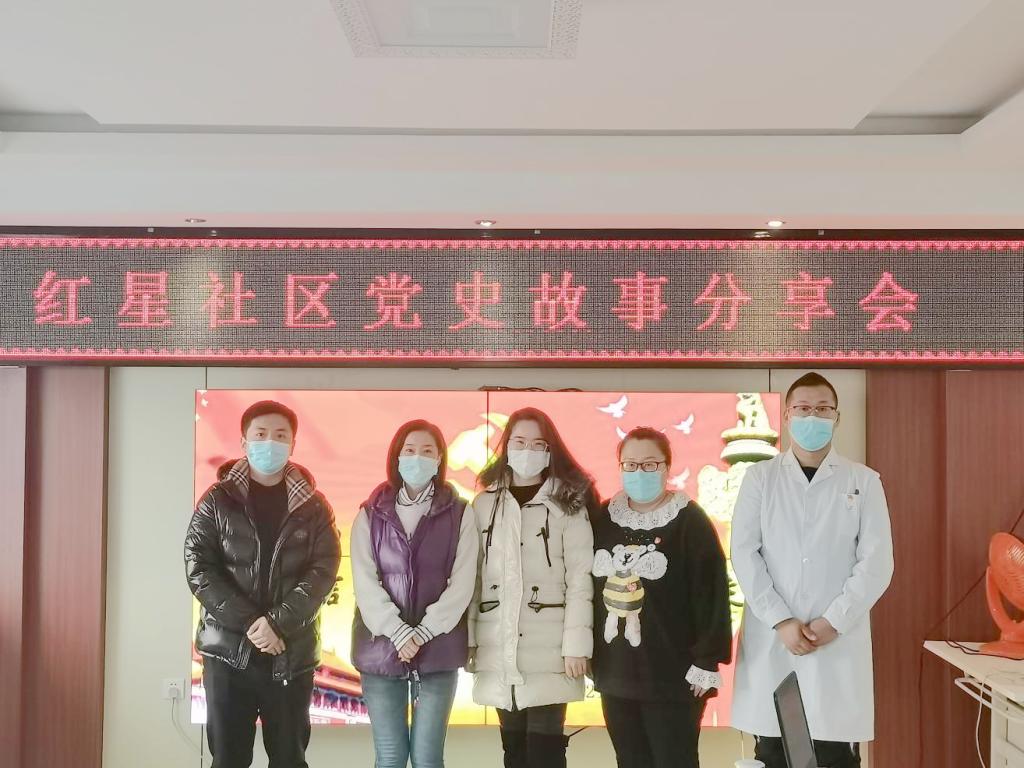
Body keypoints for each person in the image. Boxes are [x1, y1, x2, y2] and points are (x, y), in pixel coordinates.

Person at [730, 372, 895, 768]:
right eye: (803, 409)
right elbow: (744, 554)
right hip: (774, 638)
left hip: (835, 642)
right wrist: (781, 619)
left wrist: (833, 621)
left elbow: (876, 563)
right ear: (787, 416)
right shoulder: (760, 478)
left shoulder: (864, 481)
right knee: (772, 750)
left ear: (837, 417)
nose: (812, 417)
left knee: (833, 753)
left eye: (823, 409)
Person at [185, 400, 342, 768]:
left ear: (292, 444)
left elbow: (323, 570)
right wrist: (252, 623)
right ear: (244, 442)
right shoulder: (216, 500)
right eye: (261, 434)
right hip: (227, 653)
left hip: (290, 652)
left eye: (280, 435)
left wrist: (276, 624)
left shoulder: (315, 506)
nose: (270, 442)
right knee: (228, 758)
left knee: (289, 758)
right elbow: (199, 567)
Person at [590, 426, 732, 768]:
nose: (639, 472)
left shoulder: (690, 520)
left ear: (667, 467)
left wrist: (706, 660)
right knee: (630, 760)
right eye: (631, 464)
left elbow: (711, 594)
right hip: (617, 673)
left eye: (650, 464)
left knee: (674, 760)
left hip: (674, 676)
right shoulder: (603, 517)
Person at [469, 408, 597, 768]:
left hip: (552, 649)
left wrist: (577, 646)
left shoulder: (568, 503)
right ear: (506, 446)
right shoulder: (484, 503)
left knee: (545, 752)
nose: (529, 451)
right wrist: (470, 639)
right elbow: (474, 579)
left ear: (550, 450)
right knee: (513, 751)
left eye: (538, 444)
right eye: (520, 442)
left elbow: (580, 578)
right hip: (498, 645)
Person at [350, 419, 479, 768]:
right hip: (380, 649)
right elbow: (365, 583)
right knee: (390, 757)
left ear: (439, 459)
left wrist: (421, 633)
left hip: (438, 650)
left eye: (427, 451)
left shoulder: (461, 513)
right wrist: (397, 632)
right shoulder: (370, 514)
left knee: (428, 758)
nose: (417, 458)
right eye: (409, 450)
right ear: (396, 457)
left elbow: (462, 584)